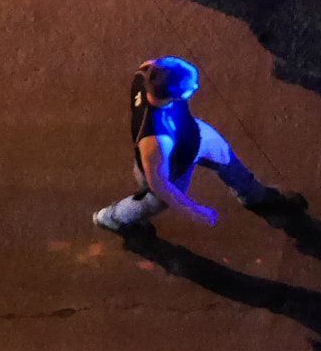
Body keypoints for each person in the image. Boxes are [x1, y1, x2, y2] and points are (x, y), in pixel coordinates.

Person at [93, 57, 306, 234]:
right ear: (174, 96)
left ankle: (254, 195)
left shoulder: (145, 74)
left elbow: (152, 63)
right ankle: (111, 218)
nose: (196, 87)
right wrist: (195, 211)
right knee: (153, 201)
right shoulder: (157, 139)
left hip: (193, 135)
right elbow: (160, 184)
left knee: (226, 158)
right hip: (175, 167)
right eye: (190, 88)